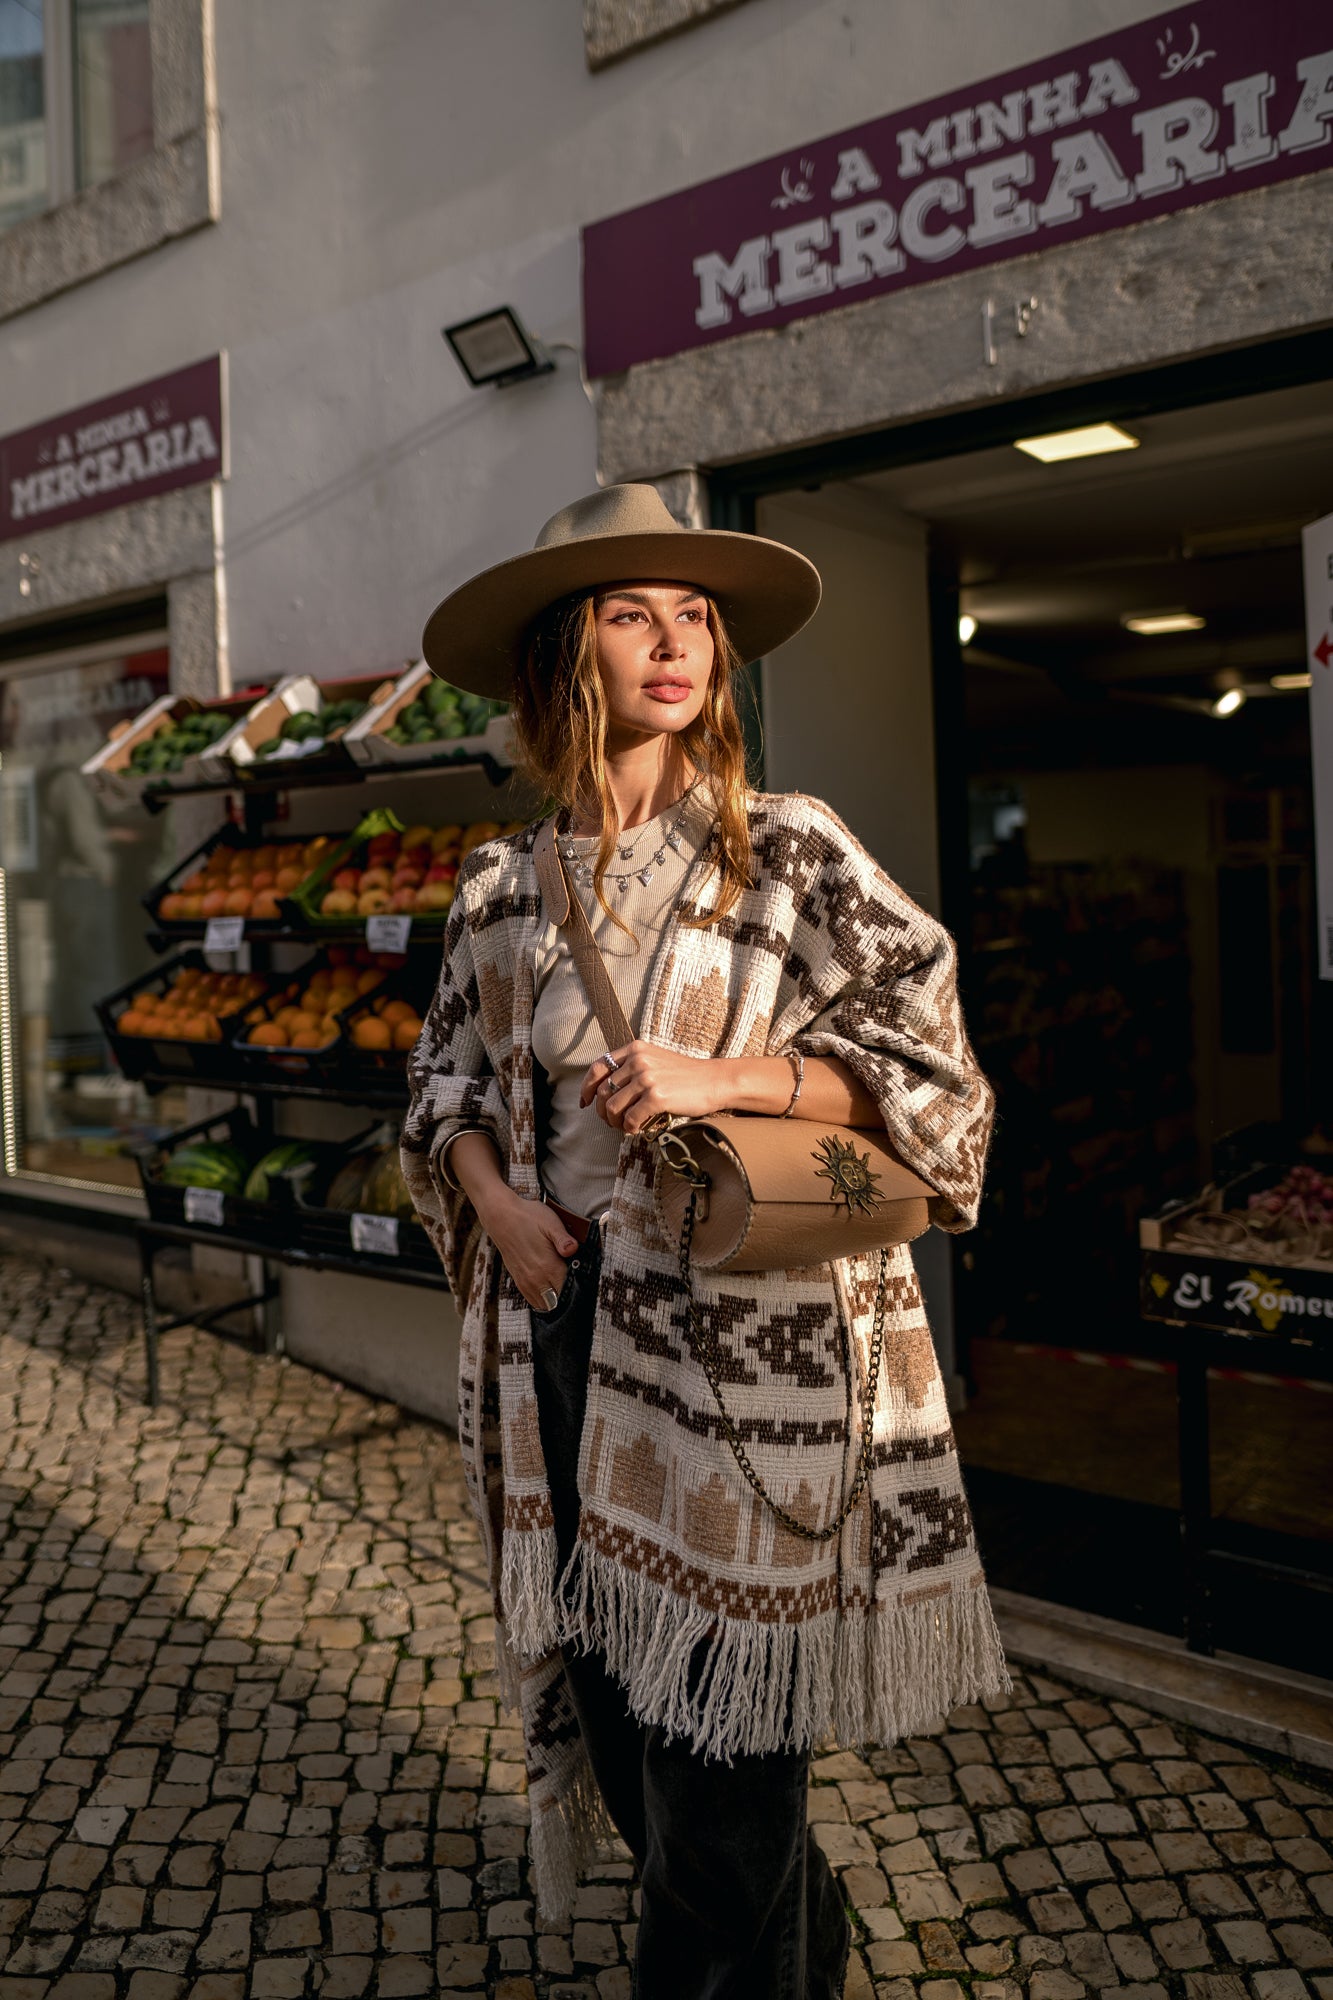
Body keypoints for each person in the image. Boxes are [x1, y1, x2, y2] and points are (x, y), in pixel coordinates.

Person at [402, 484, 1007, 1998]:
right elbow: (438, 1088)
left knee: (725, 1776)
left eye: (694, 619)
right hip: (557, 1346)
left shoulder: (785, 853)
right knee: (625, 1740)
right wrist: (490, 1198)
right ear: (566, 651)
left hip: (745, 1364)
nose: (671, 644)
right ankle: (810, 1955)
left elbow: (932, 1066)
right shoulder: (500, 884)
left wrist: (727, 1075)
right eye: (629, 613)